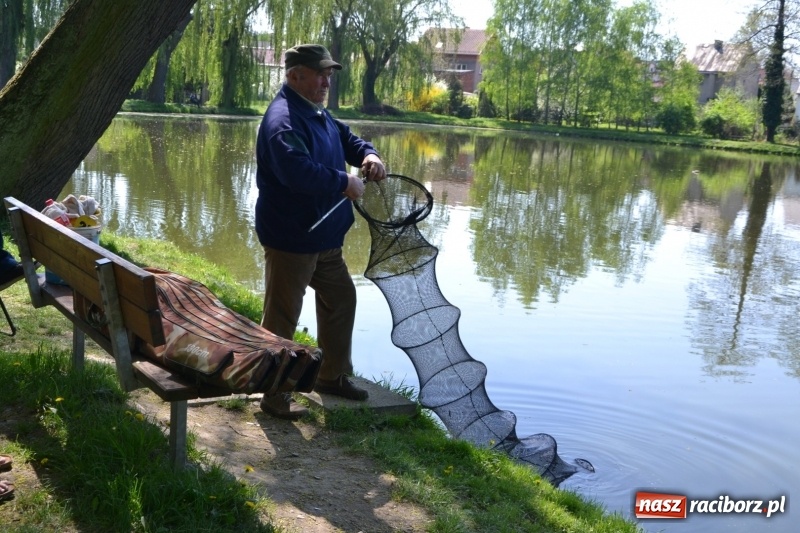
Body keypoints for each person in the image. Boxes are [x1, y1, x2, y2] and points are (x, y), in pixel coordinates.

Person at [254, 44, 386, 420]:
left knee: (341, 299)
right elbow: (296, 172)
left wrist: (368, 155)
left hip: (325, 239)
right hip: (292, 239)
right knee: (282, 317)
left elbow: (346, 138)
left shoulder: (315, 112)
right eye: (319, 73)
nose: (327, 80)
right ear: (295, 75)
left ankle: (332, 376)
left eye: (329, 73)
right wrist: (343, 181)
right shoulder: (284, 120)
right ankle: (274, 393)